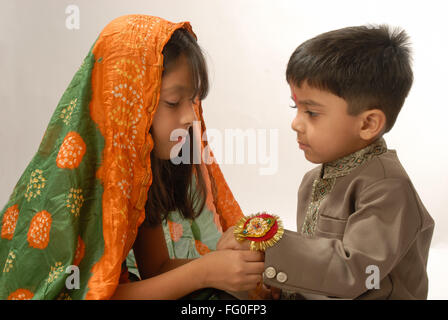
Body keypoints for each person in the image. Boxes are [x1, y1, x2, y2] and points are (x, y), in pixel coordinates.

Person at [0, 14, 264, 300]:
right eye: (173, 102)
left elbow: (157, 267)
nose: (190, 117)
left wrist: (227, 270)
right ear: (126, 104)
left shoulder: (141, 170)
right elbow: (87, 295)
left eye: (193, 101)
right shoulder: (75, 188)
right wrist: (205, 272)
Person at [263, 25, 435, 299]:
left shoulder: (388, 189)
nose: (296, 123)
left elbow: (357, 272)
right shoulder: (314, 180)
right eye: (295, 108)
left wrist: (269, 248)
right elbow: (317, 263)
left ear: (368, 123)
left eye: (312, 112)